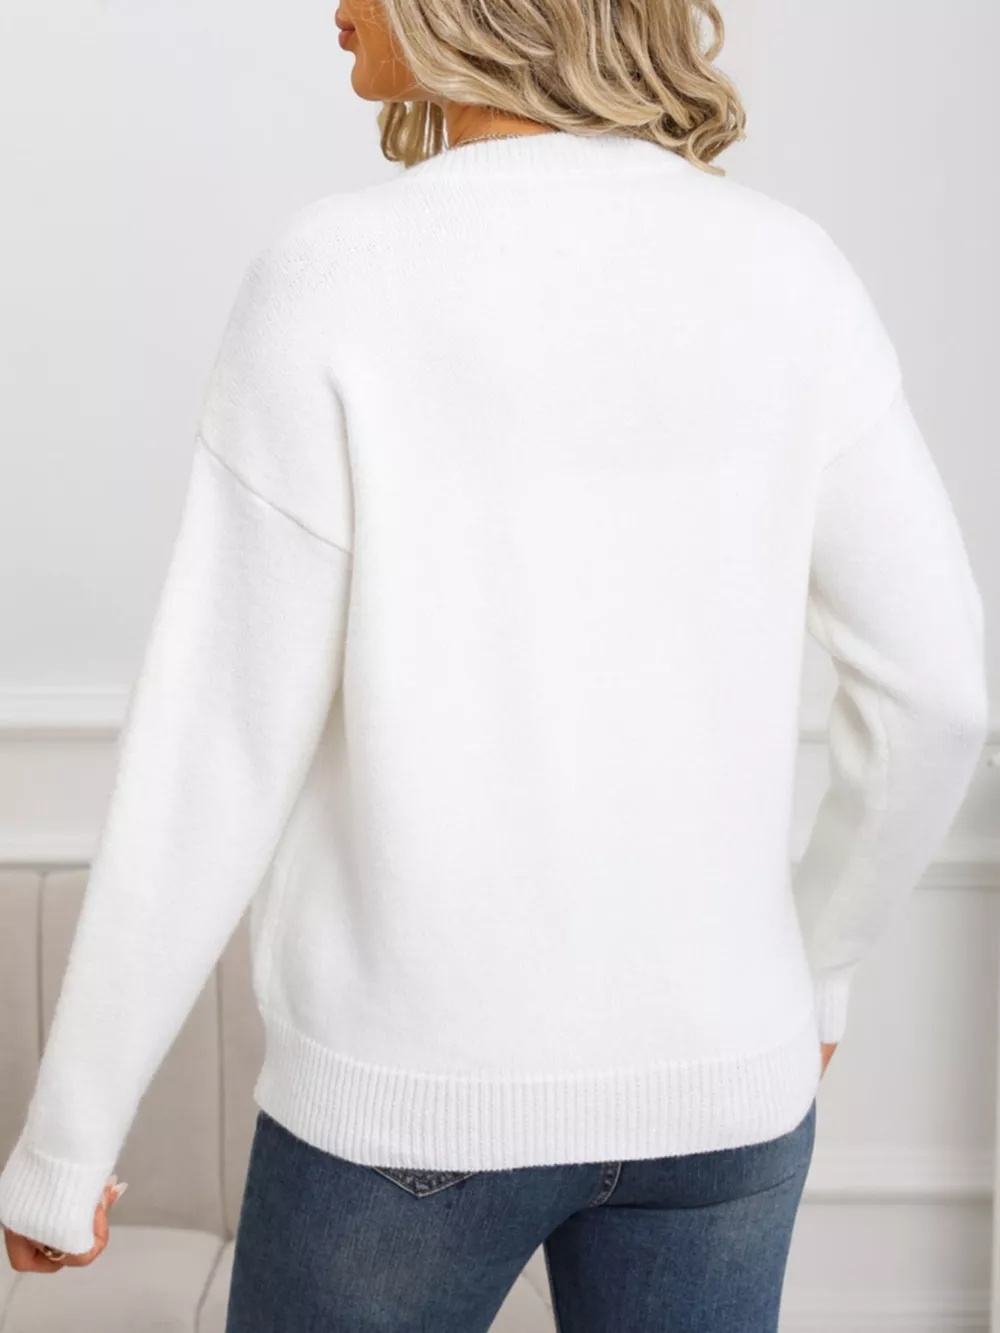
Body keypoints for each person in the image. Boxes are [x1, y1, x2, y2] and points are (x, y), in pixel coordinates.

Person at [1, 0, 988, 1327]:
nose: (337, 8)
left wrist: (67, 1148)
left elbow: (214, 752)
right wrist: (817, 967)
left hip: (406, 1107)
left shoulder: (337, 275)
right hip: (727, 1096)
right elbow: (937, 691)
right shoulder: (792, 273)